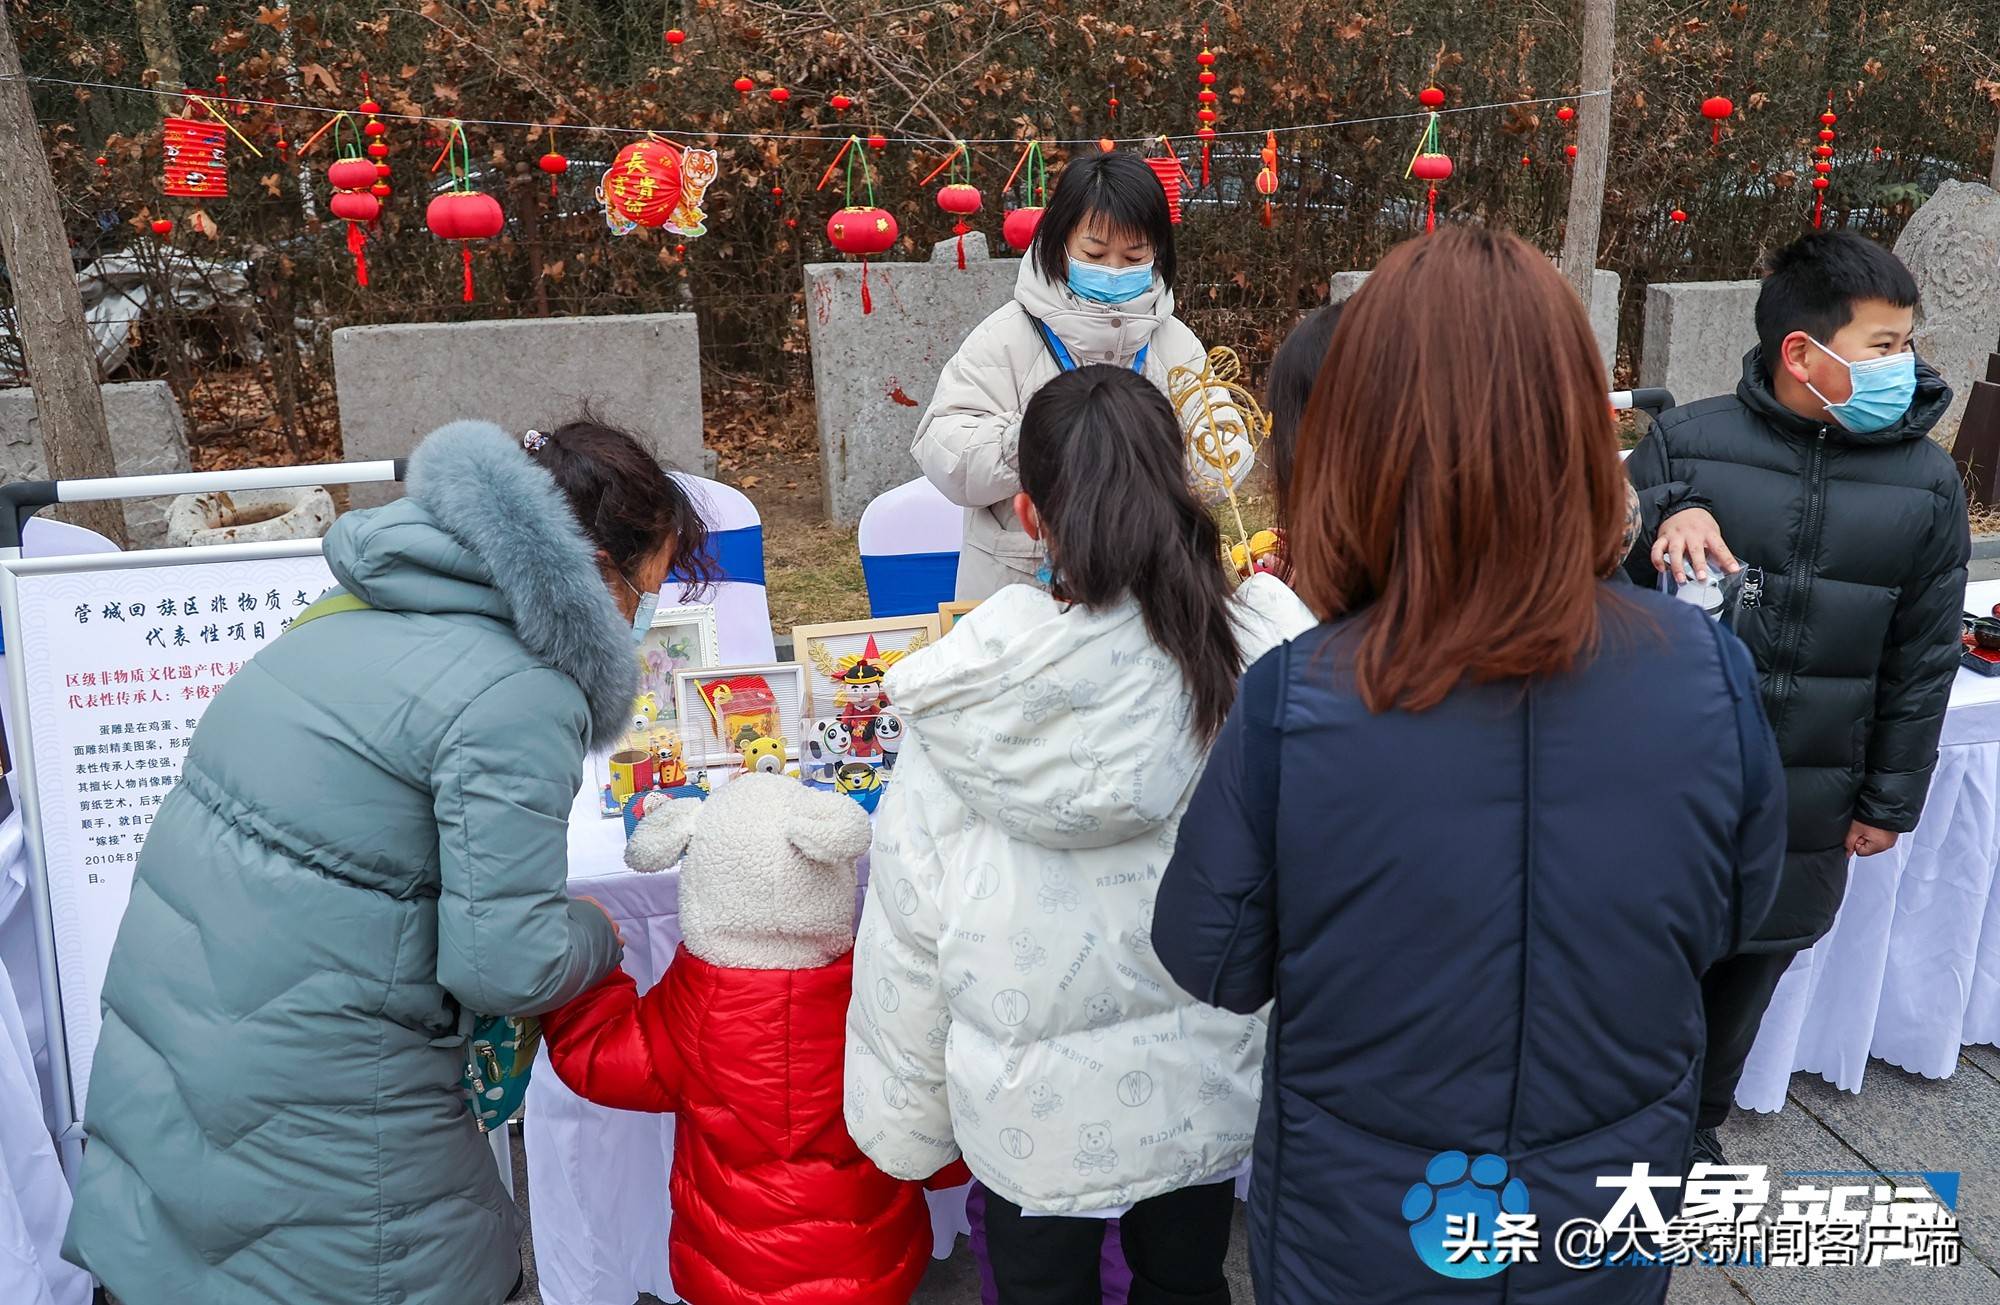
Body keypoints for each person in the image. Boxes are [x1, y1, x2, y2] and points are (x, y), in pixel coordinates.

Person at [1152, 227, 1787, 1304]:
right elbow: (1734, 912)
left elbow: (1208, 957)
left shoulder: (1298, 699)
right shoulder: (1706, 672)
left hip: (1366, 1224)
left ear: (1356, 438)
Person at [64, 419, 711, 1305]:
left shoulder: (359, 604)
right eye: (658, 574)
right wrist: (600, 931)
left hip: (179, 1063)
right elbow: (506, 959)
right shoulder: (523, 689)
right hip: (326, 1104)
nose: (656, 597)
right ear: (601, 567)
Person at [848, 365, 1262, 1305]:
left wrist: (908, 1116)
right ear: (1180, 486)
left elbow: (909, 915)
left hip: (1026, 1104)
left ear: (1028, 514)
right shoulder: (1254, 646)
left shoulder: (972, 683)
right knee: (1187, 1278)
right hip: (1204, 1069)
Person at [1623, 230, 1969, 1163]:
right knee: (1636, 973)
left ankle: (1694, 1131)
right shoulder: (1685, 443)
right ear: (1803, 354)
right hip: (1666, 792)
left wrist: (1889, 798)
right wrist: (1659, 512)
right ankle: (1604, 1128)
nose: (1908, 364)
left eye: (1908, 342)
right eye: (1884, 345)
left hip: (1809, 797)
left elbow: (1925, 655)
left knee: (1747, 979)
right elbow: (1589, 580)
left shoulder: (1928, 484)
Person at [541, 774, 966, 1305]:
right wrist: (948, 1167)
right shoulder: (874, 993)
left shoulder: (690, 1013)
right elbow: (926, 1086)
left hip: (732, 1264)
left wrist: (590, 974)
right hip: (866, 1256)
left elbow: (600, 1057)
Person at [913, 150, 1252, 600]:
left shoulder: (1175, 343)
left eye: (1134, 256)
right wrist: (1034, 442)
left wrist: (1157, 449)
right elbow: (945, 455)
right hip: (1019, 587)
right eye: (1094, 252)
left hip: (1150, 587)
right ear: (1059, 242)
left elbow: (1224, 455)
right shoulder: (1005, 337)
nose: (1114, 269)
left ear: (1159, 254)